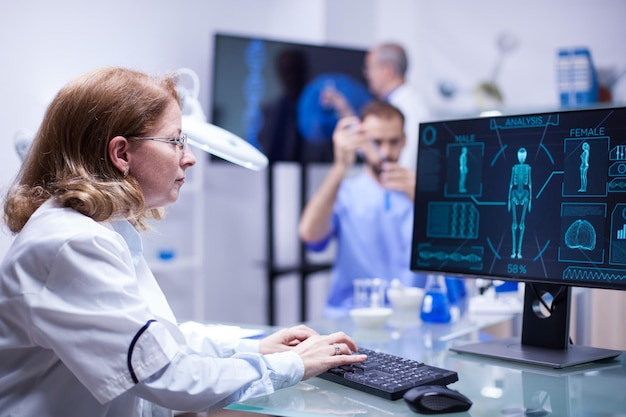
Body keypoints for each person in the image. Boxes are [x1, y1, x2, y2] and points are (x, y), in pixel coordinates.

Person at [0, 67, 366, 417]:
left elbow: (154, 340)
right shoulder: (72, 243)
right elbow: (168, 376)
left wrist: (253, 347)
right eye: (176, 141)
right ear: (121, 154)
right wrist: (292, 364)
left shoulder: (98, 230)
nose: (189, 158)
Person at [298, 100, 426, 318]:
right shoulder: (346, 192)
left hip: (412, 317)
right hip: (353, 317)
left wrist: (424, 199)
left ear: (404, 140)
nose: (386, 152)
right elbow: (309, 235)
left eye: (393, 142)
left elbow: (457, 259)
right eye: (377, 142)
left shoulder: (421, 192)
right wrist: (340, 167)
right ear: (362, 141)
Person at [322, 42, 430, 171]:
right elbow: (371, 148)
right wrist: (345, 111)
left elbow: (402, 167)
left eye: (369, 67)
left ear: (387, 70)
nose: (366, 74)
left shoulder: (410, 109)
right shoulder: (394, 104)